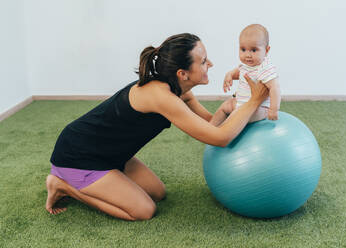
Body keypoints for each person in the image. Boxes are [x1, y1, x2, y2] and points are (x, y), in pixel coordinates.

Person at [45, 33, 269, 221]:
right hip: (78, 155)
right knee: (143, 211)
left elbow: (210, 126)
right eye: (203, 62)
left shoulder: (177, 89)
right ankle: (63, 185)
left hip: (111, 153)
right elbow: (220, 138)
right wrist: (253, 102)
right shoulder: (161, 96)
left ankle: (96, 179)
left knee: (158, 193)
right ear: (183, 73)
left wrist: (226, 109)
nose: (210, 64)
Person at [223, 24, 281, 122]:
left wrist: (273, 110)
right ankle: (211, 127)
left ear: (266, 50)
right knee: (225, 106)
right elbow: (239, 72)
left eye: (254, 50)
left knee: (235, 118)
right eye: (243, 49)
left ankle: (224, 131)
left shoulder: (265, 68)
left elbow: (275, 88)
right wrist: (229, 75)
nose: (247, 55)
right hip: (241, 103)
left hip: (259, 108)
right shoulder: (246, 65)